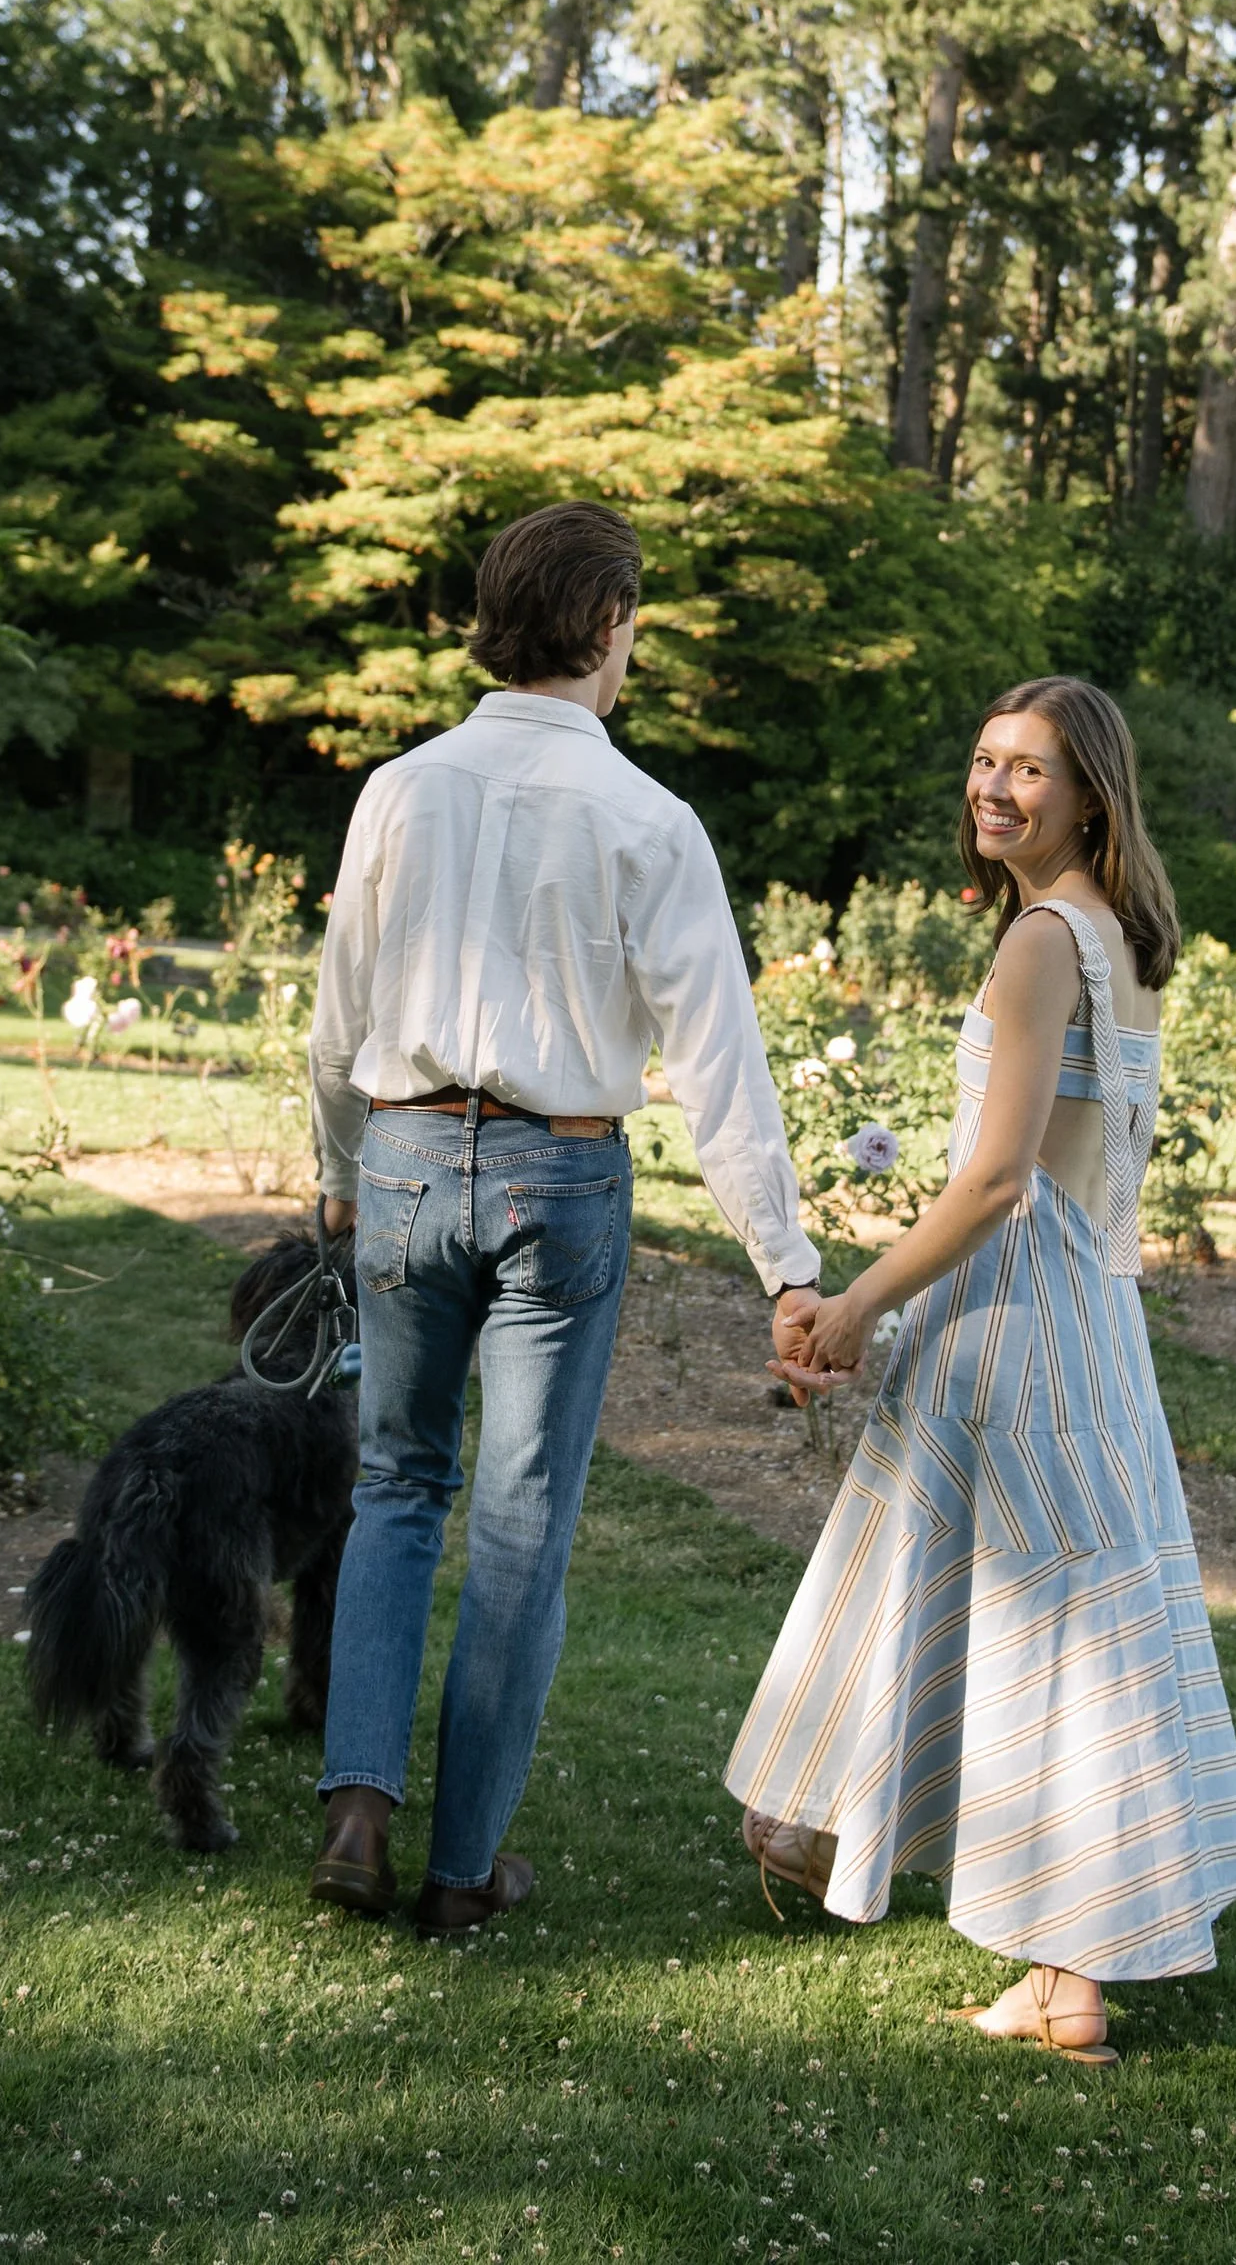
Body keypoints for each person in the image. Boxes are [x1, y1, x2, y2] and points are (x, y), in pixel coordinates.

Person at [725, 676, 1236, 2059]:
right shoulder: (1125, 939)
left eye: (1028, 768)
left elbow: (998, 1179)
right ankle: (1043, 1959)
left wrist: (852, 1306)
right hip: (1088, 1319)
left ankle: (862, 1852)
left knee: (1031, 1624)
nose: (994, 787)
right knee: (1064, 1621)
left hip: (1020, 1318)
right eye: (982, 759)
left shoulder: (1040, 943)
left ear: (1090, 793)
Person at [307, 500, 821, 1937]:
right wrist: (786, 1262)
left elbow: (337, 1014)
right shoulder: (647, 817)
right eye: (634, 621)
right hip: (560, 1174)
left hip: (406, 1154)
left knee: (398, 1484)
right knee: (523, 1518)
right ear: (603, 626)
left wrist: (343, 1170)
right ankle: (464, 1868)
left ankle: (358, 1806)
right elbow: (718, 1059)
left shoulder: (399, 789)